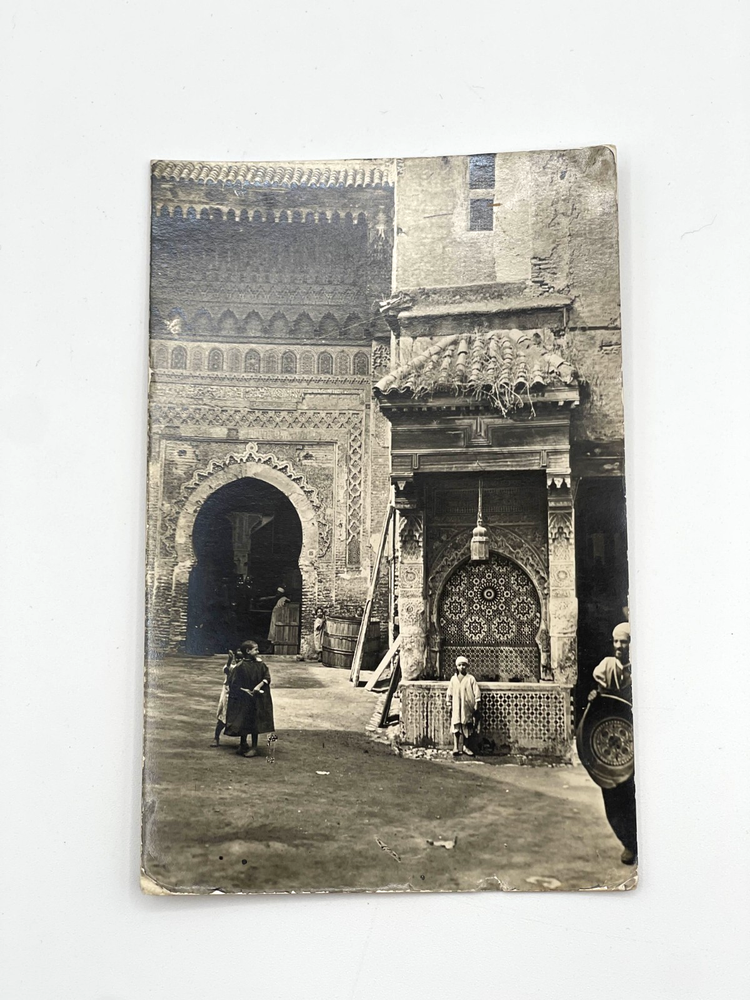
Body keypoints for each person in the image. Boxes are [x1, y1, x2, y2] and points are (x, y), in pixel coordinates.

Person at [591, 622, 637, 865]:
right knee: (613, 796)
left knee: (634, 796)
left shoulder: (641, 669)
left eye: (624, 641)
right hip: (613, 744)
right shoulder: (608, 667)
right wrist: (595, 697)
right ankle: (629, 842)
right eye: (616, 641)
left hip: (635, 743)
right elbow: (602, 698)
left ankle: (640, 844)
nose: (619, 646)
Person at [224, 640, 275, 757]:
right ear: (248, 651)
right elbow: (234, 684)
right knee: (243, 721)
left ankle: (254, 747)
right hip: (244, 700)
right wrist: (244, 690)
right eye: (255, 649)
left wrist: (259, 686)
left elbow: (267, 677)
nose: (258, 651)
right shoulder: (240, 667)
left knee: (254, 722)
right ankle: (243, 744)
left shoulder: (260, 665)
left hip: (256, 699)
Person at [446, 656, 481, 757]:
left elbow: (476, 692)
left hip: (467, 707)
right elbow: (449, 692)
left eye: (464, 665)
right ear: (456, 666)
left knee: (467, 726)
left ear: (467, 666)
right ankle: (456, 747)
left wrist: (476, 703)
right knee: (456, 725)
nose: (462, 667)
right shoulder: (453, 679)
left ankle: (466, 747)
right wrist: (449, 703)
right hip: (456, 706)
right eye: (460, 665)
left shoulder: (471, 679)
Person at [210, 647, 238, 746]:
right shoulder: (231, 667)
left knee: (240, 718)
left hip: (239, 696)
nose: (239, 660)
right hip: (228, 695)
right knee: (223, 717)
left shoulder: (245, 668)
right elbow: (226, 670)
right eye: (237, 658)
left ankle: (243, 742)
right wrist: (229, 660)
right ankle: (216, 737)